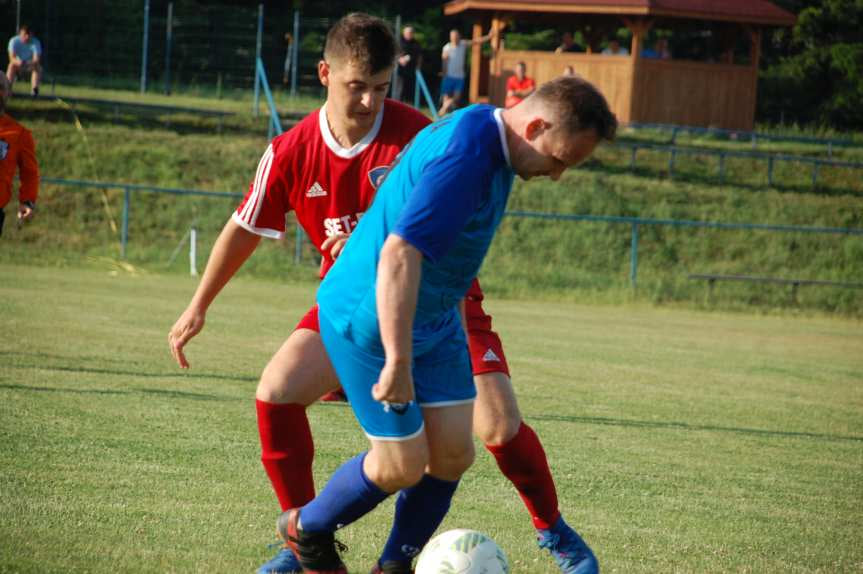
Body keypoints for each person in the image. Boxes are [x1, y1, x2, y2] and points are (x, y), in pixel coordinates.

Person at [279, 76, 617, 574]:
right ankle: (304, 529)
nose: (558, 173)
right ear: (538, 124)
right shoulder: (468, 156)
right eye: (560, 158)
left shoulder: (489, 129)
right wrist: (397, 361)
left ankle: (392, 566)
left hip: (436, 317)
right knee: (402, 464)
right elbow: (399, 253)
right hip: (372, 316)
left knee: (455, 454)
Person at [167, 13, 431, 574]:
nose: (367, 101)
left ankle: (395, 559)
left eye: (380, 88)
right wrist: (199, 305)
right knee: (275, 392)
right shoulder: (290, 150)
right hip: (345, 309)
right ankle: (304, 546)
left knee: (430, 450)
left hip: (417, 308)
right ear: (324, 73)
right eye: (355, 86)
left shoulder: (416, 138)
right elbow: (244, 226)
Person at [0, 74, 39, 237]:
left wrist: (27, 200)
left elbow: (29, 172)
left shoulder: (19, 134)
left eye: (1, 88)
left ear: (9, 93)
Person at [438, 28, 492, 117]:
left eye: (456, 36)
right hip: (449, 76)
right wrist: (444, 73)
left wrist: (488, 37)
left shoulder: (462, 44)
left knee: (456, 98)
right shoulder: (446, 48)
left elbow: (476, 41)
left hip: (459, 76)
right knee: (446, 98)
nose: (455, 38)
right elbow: (444, 61)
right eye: (453, 37)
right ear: (450, 38)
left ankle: (444, 109)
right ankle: (445, 114)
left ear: (459, 37)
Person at [6, 25, 42, 97]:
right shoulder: (13, 41)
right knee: (11, 65)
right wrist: (19, 62)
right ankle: (7, 89)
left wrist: (27, 63)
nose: (27, 37)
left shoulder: (36, 42)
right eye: (25, 34)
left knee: (38, 67)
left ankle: (35, 91)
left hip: (29, 65)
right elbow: (11, 58)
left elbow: (36, 60)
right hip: (17, 65)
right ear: (20, 34)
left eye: (29, 35)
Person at [394, 26, 422, 104]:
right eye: (407, 33)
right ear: (404, 33)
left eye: (411, 33)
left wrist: (418, 67)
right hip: (399, 71)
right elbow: (394, 53)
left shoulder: (416, 44)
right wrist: (400, 59)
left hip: (411, 71)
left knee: (409, 90)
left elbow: (419, 56)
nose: (409, 34)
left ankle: (407, 105)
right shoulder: (399, 42)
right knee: (399, 89)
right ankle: (397, 104)